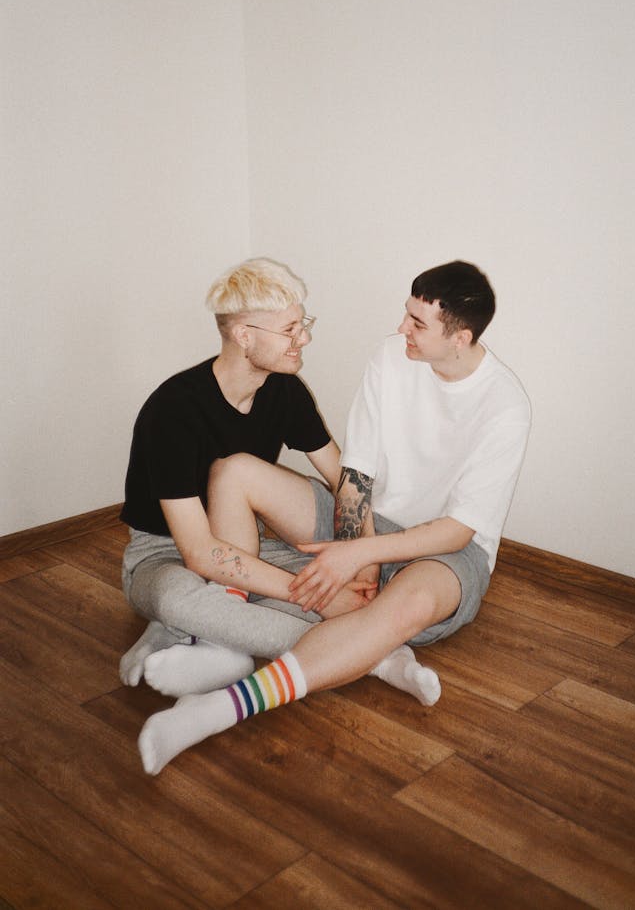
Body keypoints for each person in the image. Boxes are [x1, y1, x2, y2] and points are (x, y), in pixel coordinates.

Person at [138, 260, 532, 775]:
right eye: (405, 314)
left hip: (447, 554)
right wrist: (360, 563)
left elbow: (458, 530)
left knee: (406, 602)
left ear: (460, 337)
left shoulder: (505, 404)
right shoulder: (390, 358)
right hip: (368, 525)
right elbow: (356, 474)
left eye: (418, 324)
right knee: (233, 472)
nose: (401, 330)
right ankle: (235, 642)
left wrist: (359, 555)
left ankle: (219, 708)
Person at [119, 257, 439, 705]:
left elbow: (343, 479)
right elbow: (199, 551)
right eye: (290, 329)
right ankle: (376, 657)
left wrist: (359, 562)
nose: (304, 338)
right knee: (181, 598)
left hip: (246, 541)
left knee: (320, 581)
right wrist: (321, 599)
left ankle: (209, 636)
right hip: (163, 553)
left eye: (301, 324)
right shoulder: (173, 412)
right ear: (244, 335)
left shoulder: (283, 389)